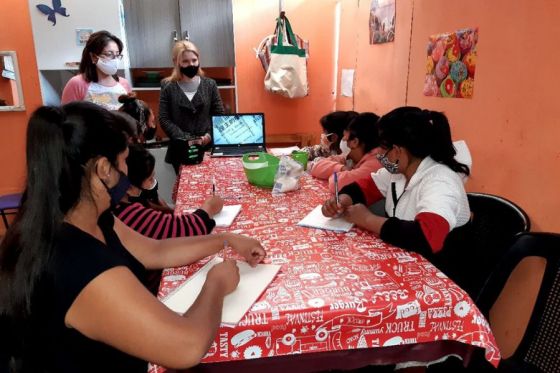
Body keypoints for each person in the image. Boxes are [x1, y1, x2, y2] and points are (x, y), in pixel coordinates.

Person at [0, 102, 265, 372]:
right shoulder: (77, 264)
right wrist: (216, 284)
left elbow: (156, 251)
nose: (127, 171)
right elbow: (187, 346)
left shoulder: (88, 218)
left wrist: (227, 240)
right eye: (124, 160)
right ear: (104, 169)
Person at [322, 106, 471, 259]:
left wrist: (367, 219)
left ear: (397, 150)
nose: (379, 155)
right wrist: (342, 201)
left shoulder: (440, 181)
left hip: (441, 268)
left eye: (382, 149)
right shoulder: (399, 172)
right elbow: (363, 187)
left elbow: (426, 238)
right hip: (404, 256)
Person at [114, 144, 223, 293]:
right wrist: (209, 207)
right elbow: (189, 230)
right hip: (150, 289)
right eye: (150, 178)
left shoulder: (124, 206)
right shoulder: (128, 215)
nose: (153, 181)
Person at [159, 41, 225, 172]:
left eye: (194, 60)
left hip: (207, 147)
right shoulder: (167, 86)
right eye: (185, 61)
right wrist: (186, 139)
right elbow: (164, 118)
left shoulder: (210, 84)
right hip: (180, 150)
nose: (191, 64)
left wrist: (208, 136)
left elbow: (219, 115)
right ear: (176, 62)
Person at [309, 112, 382, 193]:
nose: (343, 140)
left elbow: (336, 184)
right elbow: (317, 166)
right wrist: (342, 168)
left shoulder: (375, 163)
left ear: (355, 141)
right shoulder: (352, 157)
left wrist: (338, 173)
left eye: (345, 137)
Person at [61, 30, 132, 110]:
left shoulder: (124, 83)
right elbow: (66, 118)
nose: (114, 60)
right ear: (93, 57)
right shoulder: (77, 84)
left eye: (117, 55)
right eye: (109, 54)